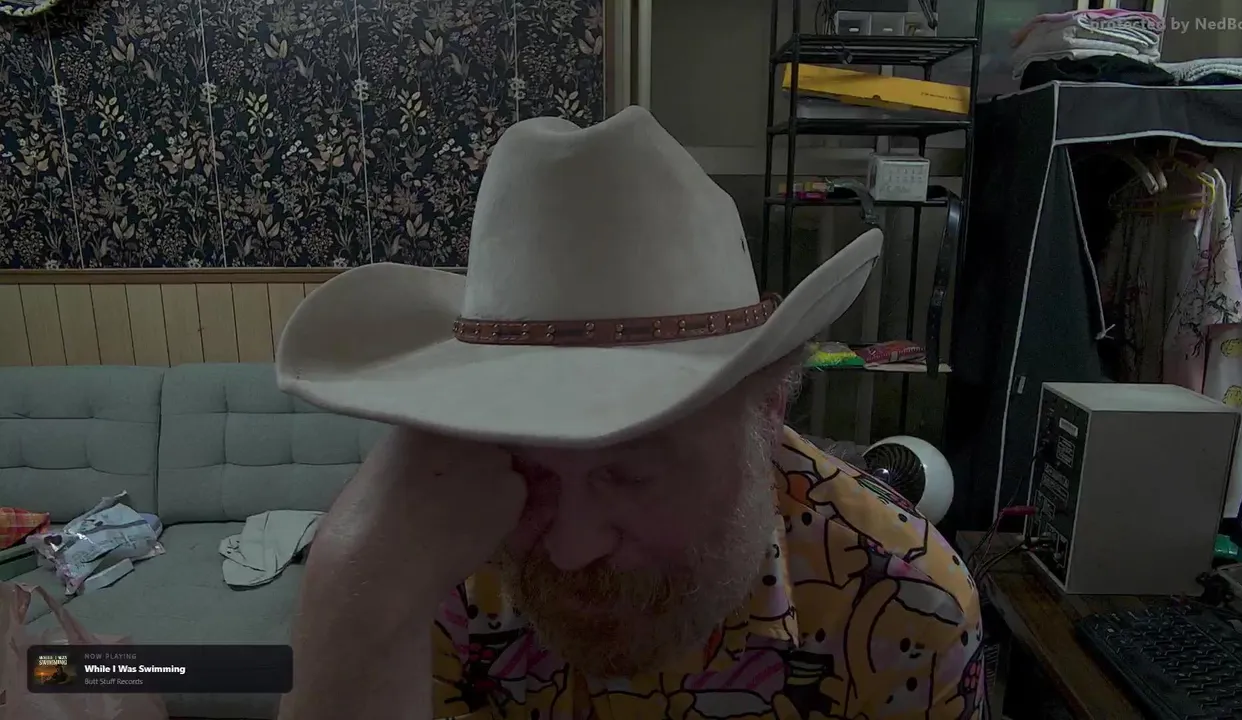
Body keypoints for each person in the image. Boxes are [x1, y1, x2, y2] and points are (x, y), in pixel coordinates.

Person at [274, 107, 984, 720]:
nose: (571, 547)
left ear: (769, 405)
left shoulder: (906, 607)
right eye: (528, 471)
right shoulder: (436, 565)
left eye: (633, 473)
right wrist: (353, 584)